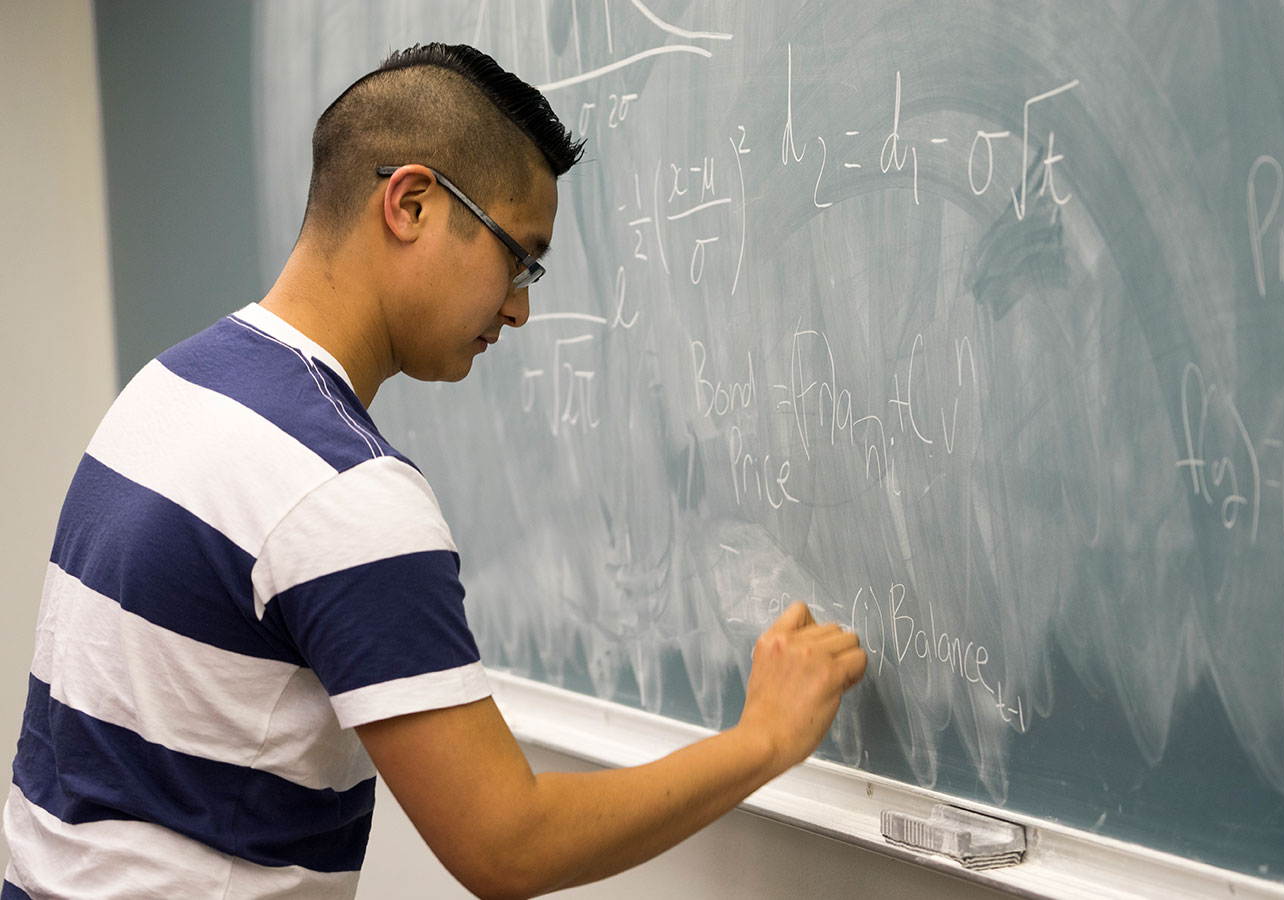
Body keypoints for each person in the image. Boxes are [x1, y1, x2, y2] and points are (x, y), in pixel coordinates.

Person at [1, 42, 866, 900]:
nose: (521, 307)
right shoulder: (340, 490)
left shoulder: (169, 387)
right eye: (518, 256)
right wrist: (763, 738)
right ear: (411, 203)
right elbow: (508, 846)